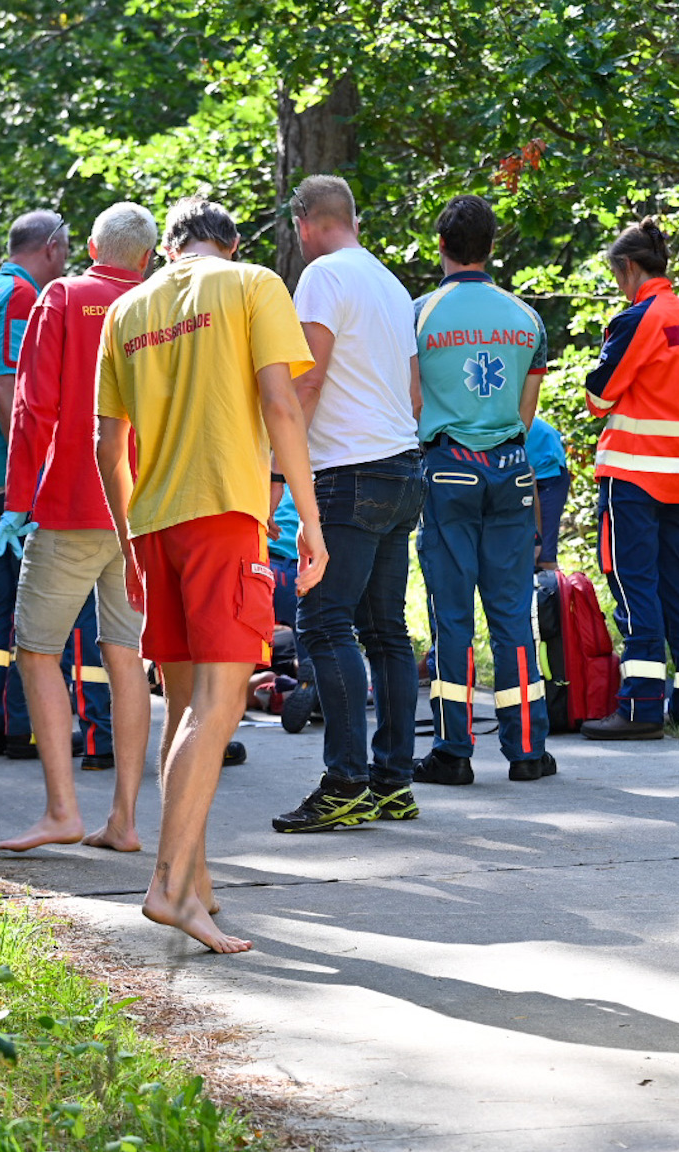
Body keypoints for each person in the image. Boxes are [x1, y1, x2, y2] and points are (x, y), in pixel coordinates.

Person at [96, 196, 325, 953]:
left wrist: (129, 540)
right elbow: (281, 405)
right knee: (219, 707)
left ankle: (193, 883)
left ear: (168, 250)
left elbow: (109, 444)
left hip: (157, 520)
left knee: (187, 706)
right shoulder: (254, 283)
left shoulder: (126, 309)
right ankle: (167, 886)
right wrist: (309, 519)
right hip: (226, 513)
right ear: (227, 243)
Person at [0, 203, 157, 854]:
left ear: (90, 245)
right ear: (147, 257)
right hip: (144, 511)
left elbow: (35, 405)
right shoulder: (161, 304)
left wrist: (18, 499)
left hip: (71, 503)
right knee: (126, 657)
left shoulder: (62, 295)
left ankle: (61, 809)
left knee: (36, 649)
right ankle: (124, 819)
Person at [273, 175, 425, 834]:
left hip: (348, 473)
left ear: (306, 222)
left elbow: (305, 380)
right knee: (386, 630)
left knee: (324, 623)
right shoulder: (391, 285)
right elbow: (415, 394)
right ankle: (393, 781)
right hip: (401, 466)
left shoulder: (324, 277)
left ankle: (344, 784)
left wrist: (279, 467)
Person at [409, 194, 554, 786]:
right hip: (512, 471)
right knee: (513, 611)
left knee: (451, 615)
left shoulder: (419, 313)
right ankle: (528, 751)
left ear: (440, 246)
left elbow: (413, 401)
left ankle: (453, 748)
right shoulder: (527, 318)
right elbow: (527, 411)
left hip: (447, 470)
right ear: (492, 247)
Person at [580, 217, 679, 739]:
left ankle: (639, 707)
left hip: (632, 475)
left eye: (617, 275)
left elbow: (599, 396)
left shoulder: (639, 319)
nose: (617, 285)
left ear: (629, 268)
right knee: (678, 586)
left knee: (635, 588)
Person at [0, 211, 71, 759]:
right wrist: (27, 469)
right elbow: (9, 388)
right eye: (67, 247)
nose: (69, 257)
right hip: (6, 467)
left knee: (4, 598)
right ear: (50, 247)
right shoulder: (24, 297)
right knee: (31, 600)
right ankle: (22, 725)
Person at [528, 416, 570, 571]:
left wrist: (538, 540)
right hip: (525, 469)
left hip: (550, 473)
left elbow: (532, 487)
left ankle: (552, 591)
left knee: (544, 556)